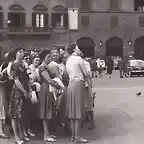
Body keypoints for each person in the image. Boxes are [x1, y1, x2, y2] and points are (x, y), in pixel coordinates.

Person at [66, 44, 89, 143]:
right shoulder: (78, 59)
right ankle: (77, 136)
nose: (79, 49)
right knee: (78, 110)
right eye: (77, 48)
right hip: (78, 83)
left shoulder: (68, 60)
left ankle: (73, 135)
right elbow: (86, 73)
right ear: (74, 50)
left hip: (71, 84)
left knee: (72, 111)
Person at [38, 49, 61, 142]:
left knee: (49, 110)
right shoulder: (42, 67)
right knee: (45, 111)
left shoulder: (46, 66)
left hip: (48, 89)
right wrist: (59, 86)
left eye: (50, 56)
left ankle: (48, 133)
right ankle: (46, 135)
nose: (50, 58)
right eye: (48, 57)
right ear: (43, 58)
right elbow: (48, 80)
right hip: (45, 89)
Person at [9, 48, 30, 144]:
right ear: (16, 54)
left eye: (22, 51)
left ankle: (22, 134)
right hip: (18, 92)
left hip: (25, 89)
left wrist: (29, 90)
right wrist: (24, 91)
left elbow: (28, 78)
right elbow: (16, 80)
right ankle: (16, 136)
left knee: (23, 114)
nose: (22, 53)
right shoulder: (14, 65)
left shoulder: (24, 64)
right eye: (20, 52)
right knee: (15, 115)